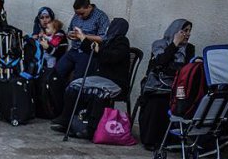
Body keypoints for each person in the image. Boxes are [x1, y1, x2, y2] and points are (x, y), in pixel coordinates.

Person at [51, 18, 131, 138]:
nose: (108, 28)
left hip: (115, 82)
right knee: (74, 86)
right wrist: (82, 37)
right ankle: (67, 120)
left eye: (111, 25)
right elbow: (92, 50)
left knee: (98, 93)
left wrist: (88, 41)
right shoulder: (108, 41)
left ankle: (91, 128)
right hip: (100, 79)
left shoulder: (122, 42)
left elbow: (110, 57)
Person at [138, 19, 194, 151]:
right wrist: (174, 44)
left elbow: (186, 70)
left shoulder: (189, 49)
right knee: (157, 100)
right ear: (175, 31)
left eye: (190, 31)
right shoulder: (159, 45)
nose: (187, 34)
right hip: (158, 85)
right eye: (184, 31)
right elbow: (160, 63)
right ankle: (151, 140)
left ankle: (172, 140)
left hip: (178, 86)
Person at [54, 0, 109, 83]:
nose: (79, 16)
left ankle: (72, 95)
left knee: (78, 80)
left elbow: (103, 38)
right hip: (74, 50)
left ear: (89, 7)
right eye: (77, 14)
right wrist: (70, 35)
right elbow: (69, 30)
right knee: (56, 73)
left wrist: (83, 36)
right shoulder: (77, 15)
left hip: (88, 52)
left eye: (82, 14)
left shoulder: (101, 16)